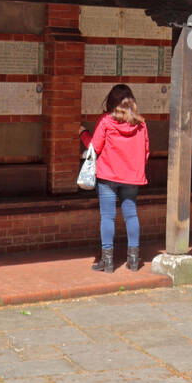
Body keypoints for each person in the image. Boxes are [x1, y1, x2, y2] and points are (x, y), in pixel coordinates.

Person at [79, 84, 150, 272]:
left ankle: (107, 261)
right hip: (131, 178)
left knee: (108, 217)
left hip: (108, 177)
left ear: (111, 102)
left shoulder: (106, 121)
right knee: (131, 215)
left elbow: (94, 148)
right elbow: (146, 151)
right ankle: (133, 260)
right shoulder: (140, 124)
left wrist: (83, 133)